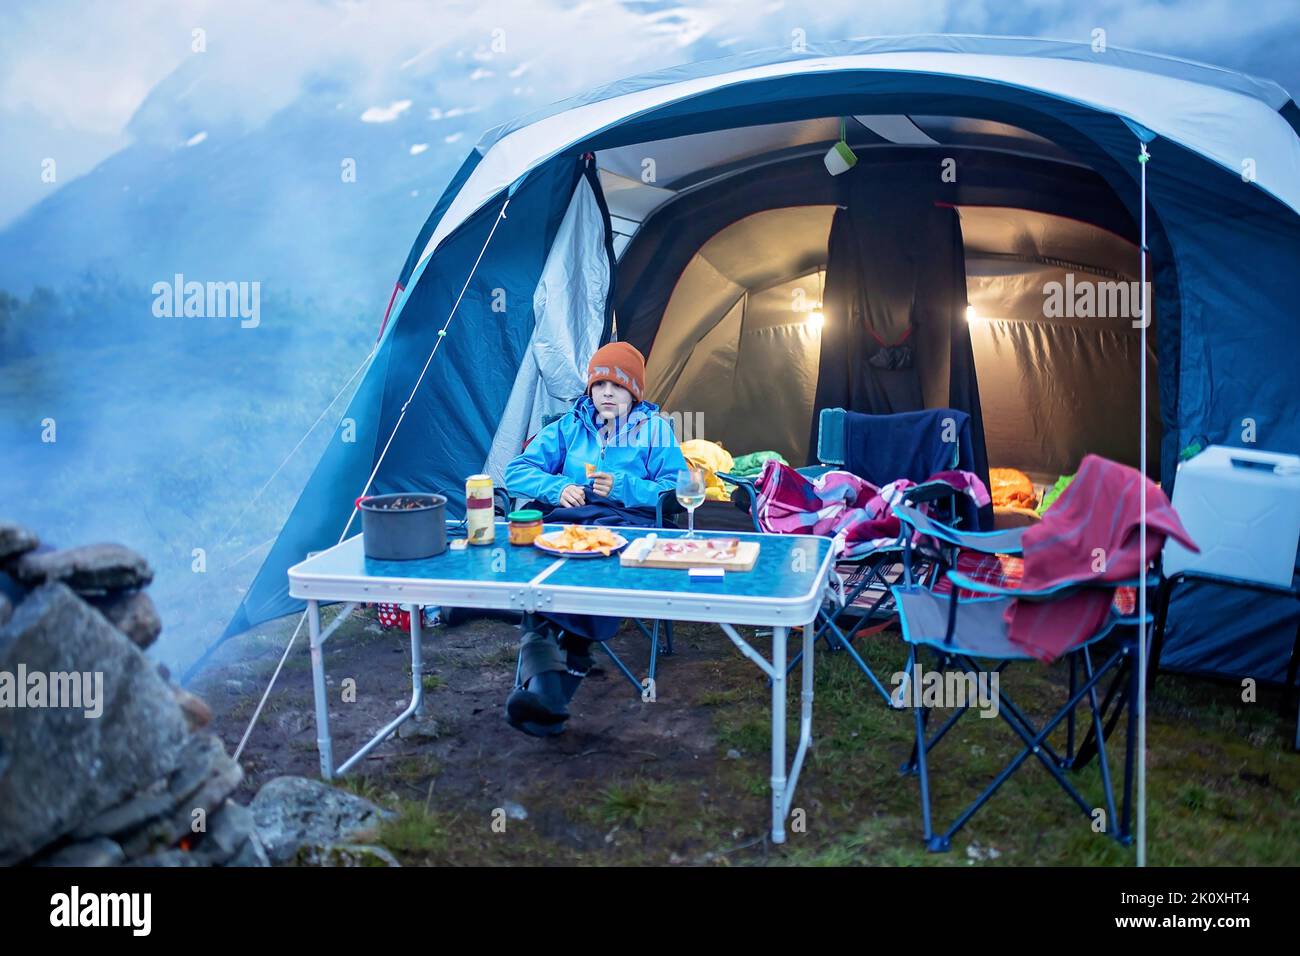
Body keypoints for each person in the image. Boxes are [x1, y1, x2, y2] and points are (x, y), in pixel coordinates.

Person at [502, 341, 687, 737]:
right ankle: (553, 688)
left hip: (628, 523)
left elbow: (677, 489)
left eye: (617, 386)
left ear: (633, 392)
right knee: (545, 571)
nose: (606, 393)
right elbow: (516, 471)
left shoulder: (654, 430)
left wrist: (623, 485)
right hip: (571, 522)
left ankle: (550, 689)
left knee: (595, 568)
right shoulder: (570, 426)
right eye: (599, 384)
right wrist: (558, 488)